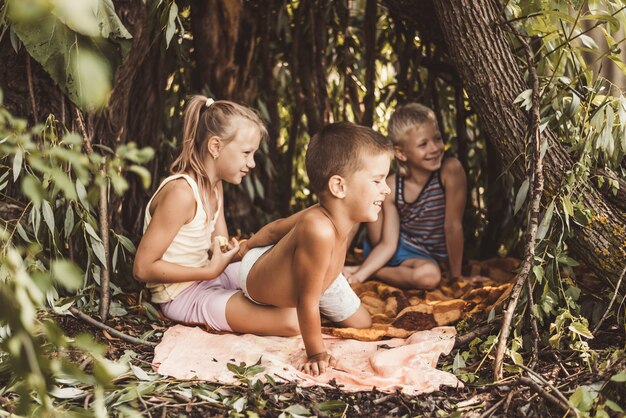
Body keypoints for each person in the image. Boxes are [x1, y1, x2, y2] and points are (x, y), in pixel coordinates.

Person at [133, 95, 299, 337]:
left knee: (292, 279)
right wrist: (209, 272)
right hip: (182, 295)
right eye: (246, 153)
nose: (252, 163)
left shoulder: (215, 186)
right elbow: (142, 268)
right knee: (292, 321)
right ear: (215, 146)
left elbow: (219, 250)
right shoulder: (182, 193)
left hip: (211, 275)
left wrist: (248, 249)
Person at [237, 122, 393, 376]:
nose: (386, 189)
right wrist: (316, 352)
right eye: (377, 180)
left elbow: (279, 229)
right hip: (258, 272)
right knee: (304, 310)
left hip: (322, 277)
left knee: (364, 325)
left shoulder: (344, 215)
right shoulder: (317, 227)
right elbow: (306, 300)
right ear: (339, 187)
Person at [343, 103, 467, 290]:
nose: (434, 148)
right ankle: (355, 267)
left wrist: (457, 278)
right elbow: (388, 243)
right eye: (423, 144)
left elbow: (453, 226)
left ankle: (372, 269)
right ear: (400, 153)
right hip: (392, 247)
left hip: (424, 257)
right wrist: (358, 278)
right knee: (366, 194)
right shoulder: (394, 186)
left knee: (429, 276)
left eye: (437, 138)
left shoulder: (450, 171)